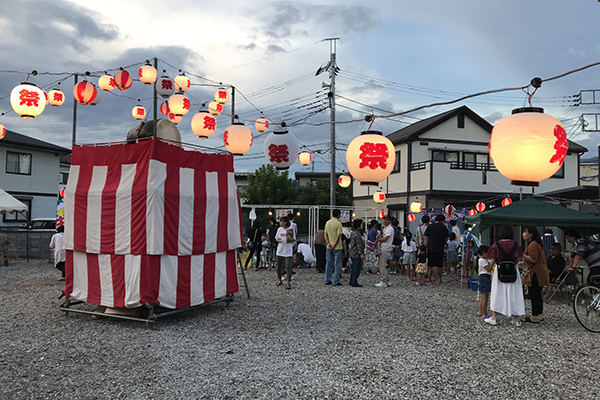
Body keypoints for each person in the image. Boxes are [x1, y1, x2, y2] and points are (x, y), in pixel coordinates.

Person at [484, 225, 525, 327]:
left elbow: (493, 259)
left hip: (500, 271)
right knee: (515, 294)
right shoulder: (516, 245)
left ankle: (494, 317)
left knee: (498, 293)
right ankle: (516, 319)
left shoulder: (496, 245)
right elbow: (519, 258)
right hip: (513, 271)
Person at [521, 226, 550, 323]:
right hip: (540, 272)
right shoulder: (535, 243)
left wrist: (523, 255)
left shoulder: (533, 244)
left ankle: (534, 315)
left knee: (534, 293)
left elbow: (533, 259)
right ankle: (539, 314)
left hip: (536, 272)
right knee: (537, 293)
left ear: (531, 234)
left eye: (525, 232)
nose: (523, 234)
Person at [423, 213, 448, 285]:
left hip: (432, 247)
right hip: (440, 248)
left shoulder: (430, 226)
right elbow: (446, 238)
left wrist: (425, 246)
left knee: (433, 264)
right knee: (440, 264)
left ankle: (437, 279)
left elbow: (426, 237)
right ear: (442, 220)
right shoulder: (444, 227)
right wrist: (443, 243)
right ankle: (439, 278)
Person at [324, 209, 344, 286]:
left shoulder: (328, 223)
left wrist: (328, 244)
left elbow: (325, 234)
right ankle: (335, 281)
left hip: (328, 247)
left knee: (328, 263)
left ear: (332, 214)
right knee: (337, 264)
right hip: (337, 247)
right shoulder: (339, 224)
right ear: (338, 215)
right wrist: (334, 245)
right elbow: (338, 236)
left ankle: (327, 279)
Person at [275, 216, 295, 289]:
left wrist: (290, 239)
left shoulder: (291, 230)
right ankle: (279, 279)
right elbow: (276, 237)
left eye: (281, 222)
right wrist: (277, 239)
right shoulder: (279, 229)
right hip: (280, 250)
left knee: (288, 267)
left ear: (285, 222)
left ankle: (288, 282)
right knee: (278, 267)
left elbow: (294, 240)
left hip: (288, 251)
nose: (280, 223)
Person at [375, 215, 394, 288]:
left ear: (390, 221)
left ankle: (383, 281)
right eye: (384, 219)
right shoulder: (385, 228)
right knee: (383, 265)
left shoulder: (389, 229)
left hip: (386, 248)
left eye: (387, 219)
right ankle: (387, 280)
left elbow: (385, 238)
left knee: (381, 265)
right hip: (384, 248)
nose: (385, 221)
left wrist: (377, 240)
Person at [348, 218, 365, 287]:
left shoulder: (353, 232)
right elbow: (359, 245)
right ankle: (354, 281)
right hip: (356, 252)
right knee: (356, 267)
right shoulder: (357, 234)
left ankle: (352, 280)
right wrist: (361, 253)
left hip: (352, 251)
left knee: (354, 266)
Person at [477, 245, 492, 318]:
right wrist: (492, 262)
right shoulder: (482, 260)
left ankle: (480, 311)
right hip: (484, 277)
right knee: (485, 297)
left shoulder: (483, 260)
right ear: (484, 253)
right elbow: (489, 269)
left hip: (483, 277)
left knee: (482, 297)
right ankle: (484, 313)